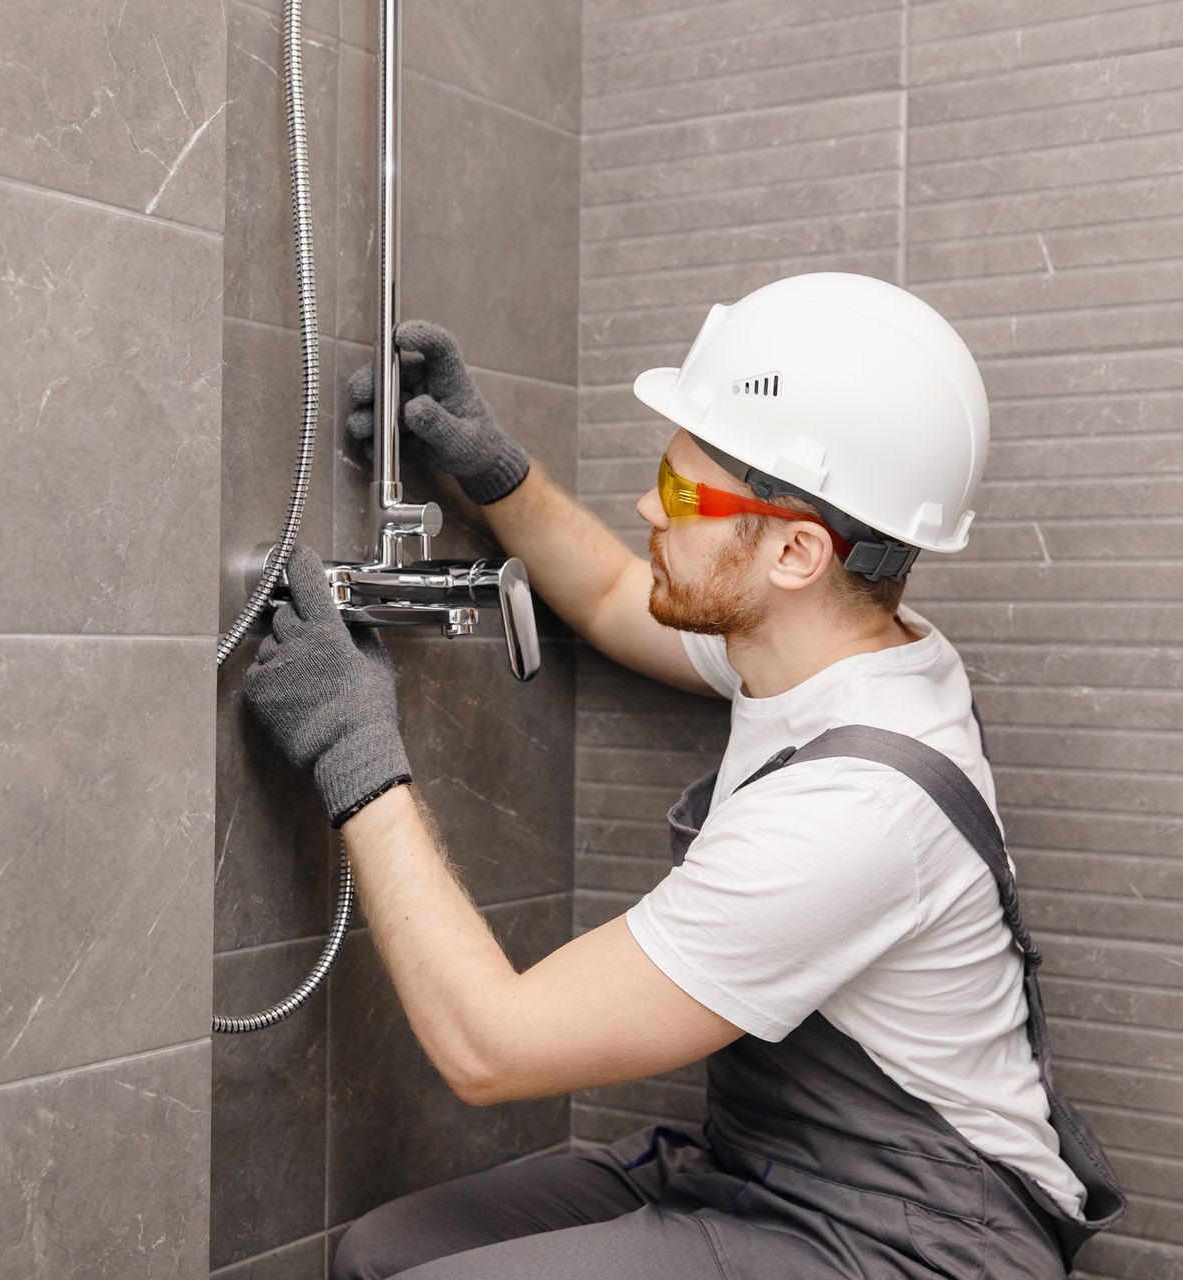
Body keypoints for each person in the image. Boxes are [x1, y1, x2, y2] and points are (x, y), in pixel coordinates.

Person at [241, 272, 1126, 1278]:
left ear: (796, 549)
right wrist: (492, 469)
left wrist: (352, 744)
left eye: (677, 492)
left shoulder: (855, 815)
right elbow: (625, 597)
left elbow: (491, 1045)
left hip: (919, 1238)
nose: (642, 508)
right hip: (768, 1170)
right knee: (379, 1253)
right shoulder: (838, 643)